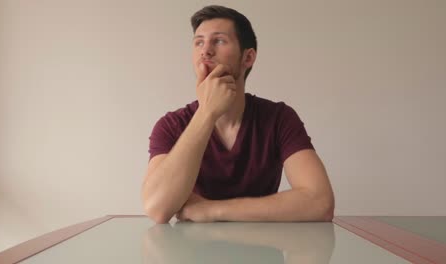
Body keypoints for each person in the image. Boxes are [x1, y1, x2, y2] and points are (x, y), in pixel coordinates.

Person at [141, 5, 335, 223]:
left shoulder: (279, 118)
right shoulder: (171, 125)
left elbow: (320, 202)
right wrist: (207, 112)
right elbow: (158, 209)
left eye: (219, 40)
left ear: (248, 57)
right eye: (199, 42)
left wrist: (210, 210)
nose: (205, 51)